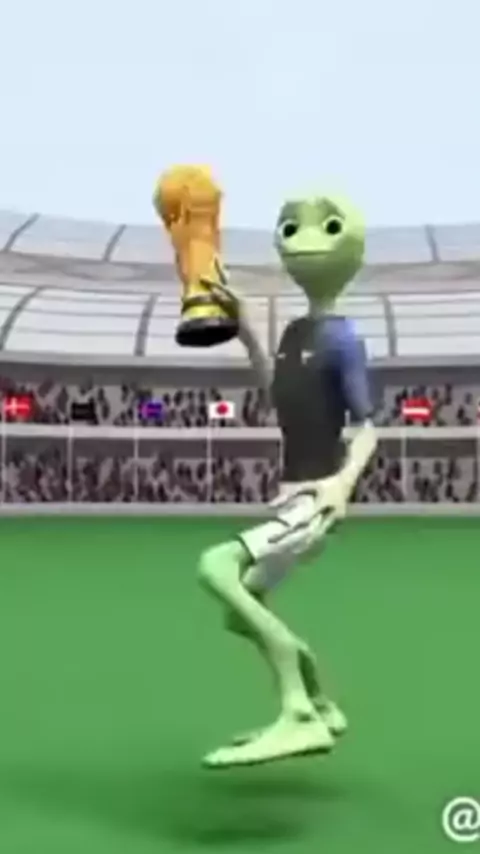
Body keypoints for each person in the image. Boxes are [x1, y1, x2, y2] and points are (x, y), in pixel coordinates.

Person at [198, 194, 378, 768]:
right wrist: (248, 330)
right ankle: (318, 702)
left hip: (314, 500)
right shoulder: (297, 332)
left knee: (215, 567)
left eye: (325, 227)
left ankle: (299, 713)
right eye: (292, 228)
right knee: (240, 607)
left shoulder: (344, 339)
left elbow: (369, 430)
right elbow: (278, 395)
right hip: (290, 497)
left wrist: (341, 486)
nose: (301, 240)